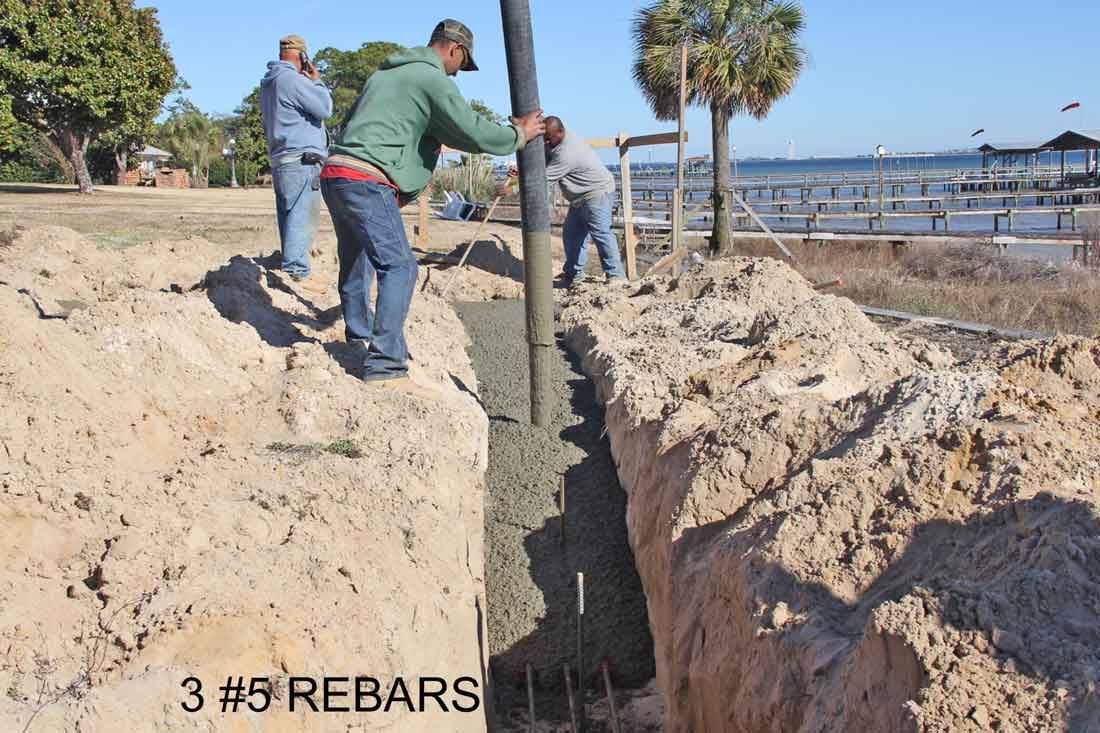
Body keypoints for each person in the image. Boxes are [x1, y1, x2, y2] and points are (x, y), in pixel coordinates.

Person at [321, 19, 544, 390]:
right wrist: (517, 135)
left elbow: (366, 126)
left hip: (337, 172)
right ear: (454, 50)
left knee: (357, 261)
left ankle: (358, 335)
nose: (458, 75)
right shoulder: (432, 79)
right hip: (366, 179)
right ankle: (386, 365)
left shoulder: (384, 77)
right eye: (462, 65)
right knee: (401, 267)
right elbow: (471, 129)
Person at [504, 116, 626, 286]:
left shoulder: (567, 153)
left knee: (601, 233)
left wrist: (512, 189)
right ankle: (574, 275)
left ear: (560, 132)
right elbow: (542, 161)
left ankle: (616, 276)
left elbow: (542, 181)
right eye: (544, 139)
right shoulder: (555, 141)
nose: (545, 143)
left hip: (597, 194)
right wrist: (521, 170)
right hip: (579, 197)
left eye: (548, 139)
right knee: (572, 235)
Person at [260, 34, 333, 294]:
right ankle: (298, 271)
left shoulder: (270, 83)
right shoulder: (292, 80)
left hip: (282, 158)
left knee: (290, 216)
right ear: (303, 57)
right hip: (302, 159)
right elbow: (324, 108)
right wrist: (318, 81)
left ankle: (292, 268)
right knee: (303, 216)